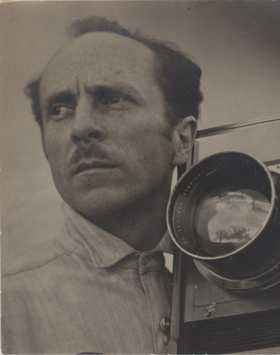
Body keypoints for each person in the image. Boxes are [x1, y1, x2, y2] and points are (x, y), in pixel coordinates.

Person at [2, 16, 203, 354]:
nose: (80, 128)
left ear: (182, 139)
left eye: (111, 100)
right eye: (60, 109)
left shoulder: (241, 282)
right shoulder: (10, 306)